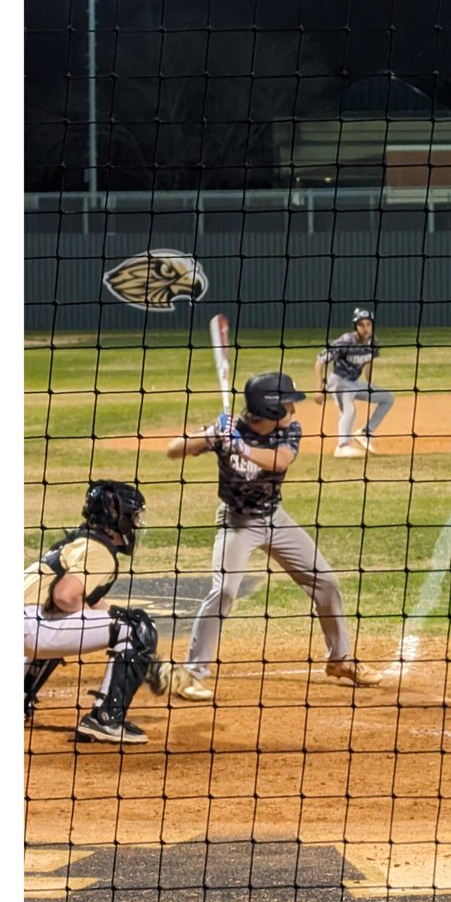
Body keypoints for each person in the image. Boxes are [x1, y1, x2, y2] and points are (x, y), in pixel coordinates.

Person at [167, 371, 380, 697]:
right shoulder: (229, 429)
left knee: (325, 581)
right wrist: (212, 435)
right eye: (287, 405)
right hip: (237, 523)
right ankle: (193, 673)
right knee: (224, 589)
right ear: (271, 411)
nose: (293, 411)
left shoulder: (290, 431)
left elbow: (280, 461)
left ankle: (341, 659)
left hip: (275, 519)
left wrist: (240, 447)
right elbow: (174, 450)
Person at [24, 480, 164, 742]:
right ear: (117, 518)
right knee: (139, 628)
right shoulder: (100, 552)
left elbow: (93, 609)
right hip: (31, 628)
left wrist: (153, 664)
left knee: (70, 617)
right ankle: (106, 719)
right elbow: (65, 596)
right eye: (132, 517)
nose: (134, 524)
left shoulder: (77, 542)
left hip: (23, 624)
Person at [313, 308, 395, 457]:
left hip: (355, 383)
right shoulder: (345, 341)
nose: (365, 328)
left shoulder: (373, 342)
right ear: (355, 326)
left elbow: (368, 360)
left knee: (387, 398)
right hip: (338, 383)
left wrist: (369, 382)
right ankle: (342, 446)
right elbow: (319, 361)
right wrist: (319, 389)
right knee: (349, 410)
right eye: (361, 324)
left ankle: (364, 433)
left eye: (368, 324)